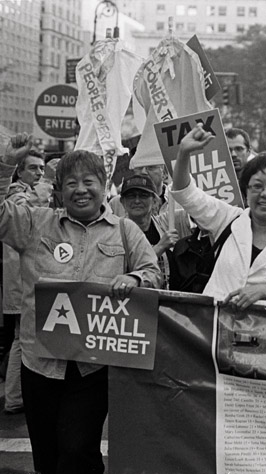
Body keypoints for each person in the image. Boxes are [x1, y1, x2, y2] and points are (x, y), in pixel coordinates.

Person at [0, 138, 161, 474]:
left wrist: (135, 279)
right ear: (59, 191)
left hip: (93, 367)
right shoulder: (35, 223)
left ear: (104, 187)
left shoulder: (125, 231)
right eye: (71, 183)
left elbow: (152, 272)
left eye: (89, 182)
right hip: (39, 362)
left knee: (77, 449)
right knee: (47, 456)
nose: (81, 190)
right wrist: (5, 164)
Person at [171, 124, 266, 307]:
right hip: (212, 328)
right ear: (246, 190)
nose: (265, 194)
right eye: (257, 186)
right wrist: (183, 153)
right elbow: (185, 192)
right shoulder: (227, 219)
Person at [2, 136, 53, 415]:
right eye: (34, 168)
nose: (39, 174)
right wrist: (41, 191)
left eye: (42, 169)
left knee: (21, 338)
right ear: (19, 170)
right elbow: (23, 212)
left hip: (23, 281)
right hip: (19, 283)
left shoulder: (27, 191)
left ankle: (14, 396)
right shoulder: (16, 193)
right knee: (21, 339)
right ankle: (13, 398)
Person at [120, 174, 192, 289]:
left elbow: (197, 212)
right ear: (122, 201)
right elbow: (121, 272)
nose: (137, 200)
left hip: (170, 300)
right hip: (138, 302)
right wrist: (159, 247)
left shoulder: (168, 222)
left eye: (143, 196)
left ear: (154, 200)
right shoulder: (117, 233)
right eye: (131, 196)